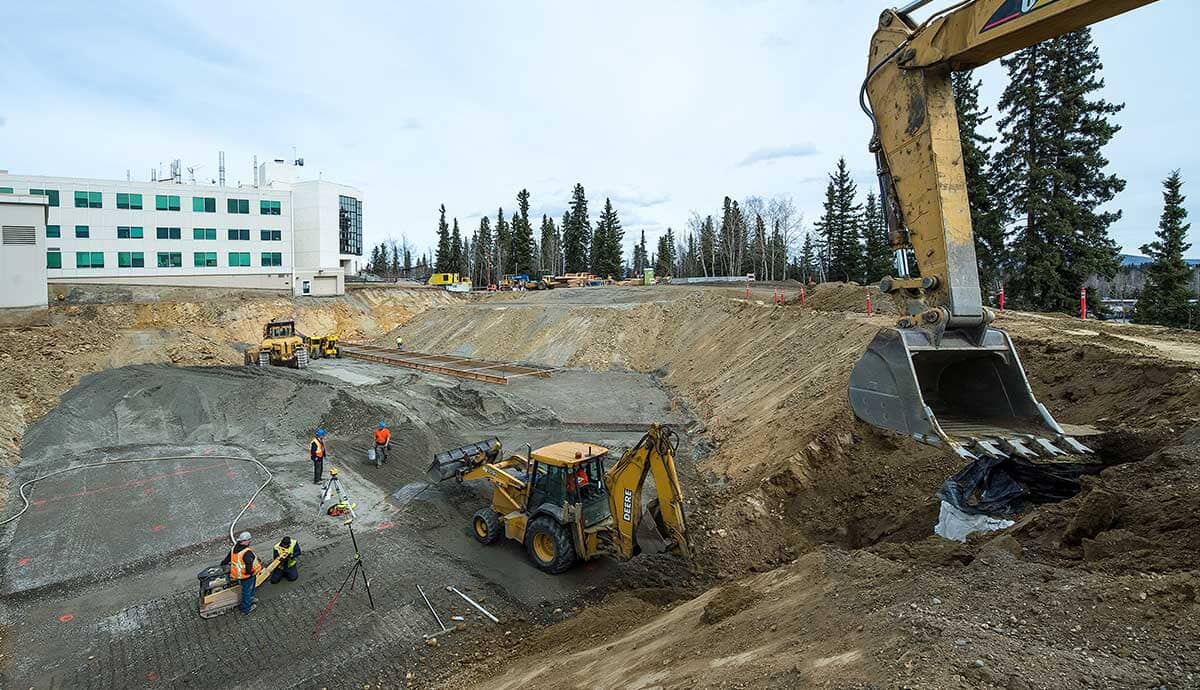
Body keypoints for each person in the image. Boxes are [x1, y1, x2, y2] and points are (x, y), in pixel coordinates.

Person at [221, 531, 261, 615]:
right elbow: (248, 566)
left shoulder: (234, 548)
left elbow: (227, 559)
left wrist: (222, 565)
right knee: (247, 591)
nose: (249, 541)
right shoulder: (246, 552)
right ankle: (246, 609)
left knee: (249, 588)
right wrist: (250, 573)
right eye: (249, 540)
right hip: (247, 576)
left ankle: (251, 598)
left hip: (239, 575)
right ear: (245, 541)